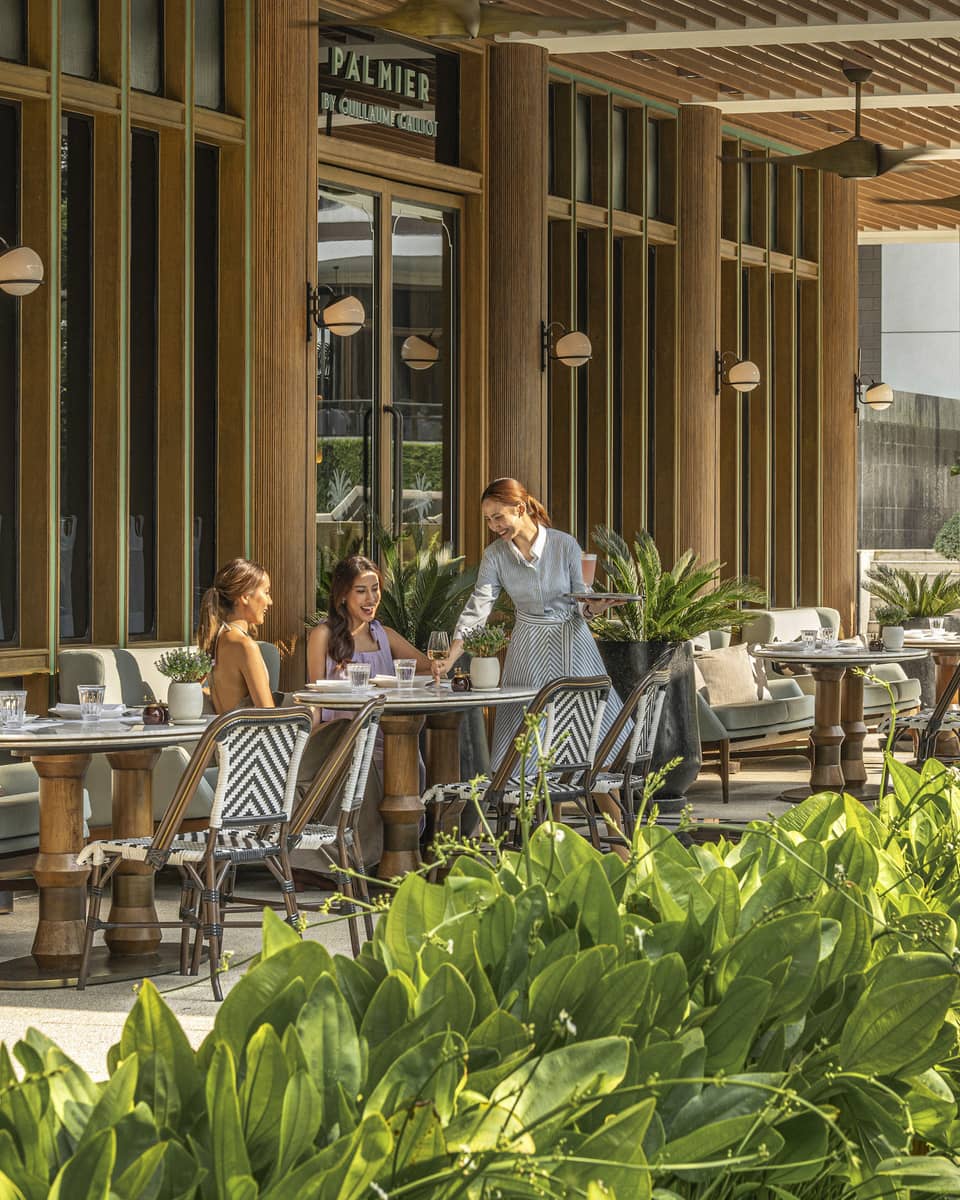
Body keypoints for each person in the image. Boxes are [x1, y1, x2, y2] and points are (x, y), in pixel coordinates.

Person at [433, 477, 627, 769]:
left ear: (520, 508)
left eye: (498, 517)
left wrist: (594, 608)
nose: (494, 526)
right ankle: (532, 814)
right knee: (527, 744)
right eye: (488, 520)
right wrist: (450, 658)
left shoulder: (565, 545)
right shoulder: (495, 556)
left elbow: (582, 602)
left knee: (589, 739)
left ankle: (614, 814)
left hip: (573, 646)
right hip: (528, 651)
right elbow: (477, 609)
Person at [300, 555, 432, 876]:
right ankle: (368, 859)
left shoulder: (383, 635)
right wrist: (305, 740)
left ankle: (398, 856)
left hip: (390, 735)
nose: (371, 598)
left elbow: (428, 665)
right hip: (341, 738)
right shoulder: (323, 635)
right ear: (342, 595)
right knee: (371, 760)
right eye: (361, 591)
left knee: (410, 761)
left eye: (375, 589)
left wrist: (456, 654)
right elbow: (316, 697)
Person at [197, 558, 275, 713]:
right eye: (266, 592)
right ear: (245, 597)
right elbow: (267, 714)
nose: (270, 601)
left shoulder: (218, 639)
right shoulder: (245, 646)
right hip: (249, 735)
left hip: (225, 734)